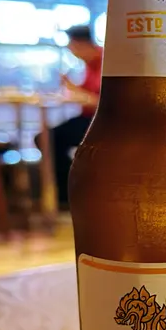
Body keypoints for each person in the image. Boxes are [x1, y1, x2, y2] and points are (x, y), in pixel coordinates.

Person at [37, 24, 102, 208]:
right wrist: (72, 87)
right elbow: (88, 93)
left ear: (81, 44)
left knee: (48, 139)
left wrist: (76, 91)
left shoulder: (104, 61)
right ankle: (67, 194)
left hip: (99, 122)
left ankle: (66, 196)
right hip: (89, 118)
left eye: (72, 46)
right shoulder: (90, 64)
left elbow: (100, 100)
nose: (71, 51)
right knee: (46, 138)